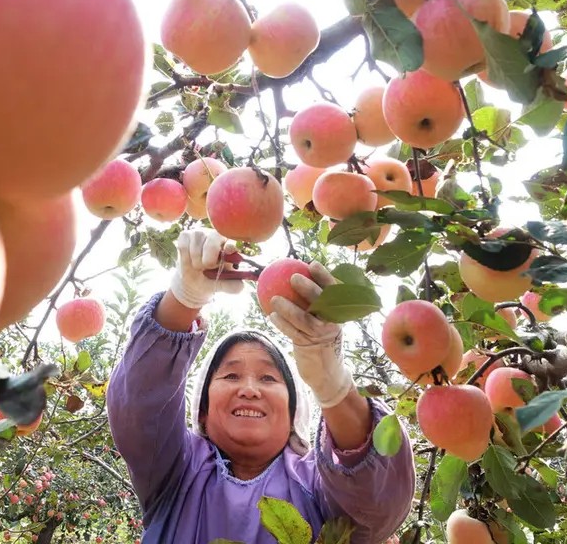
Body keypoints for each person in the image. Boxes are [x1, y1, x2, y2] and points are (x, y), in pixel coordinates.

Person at [106, 229, 416, 544]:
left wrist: (332, 382)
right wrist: (183, 299)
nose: (250, 389)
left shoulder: (318, 487)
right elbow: (138, 409)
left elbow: (376, 503)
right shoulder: (176, 472)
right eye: (231, 376)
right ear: (201, 413)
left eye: (268, 378)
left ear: (295, 413)